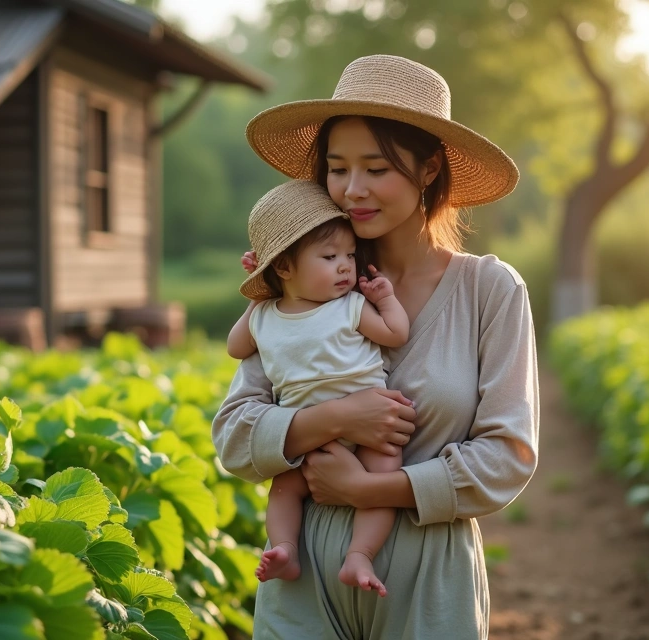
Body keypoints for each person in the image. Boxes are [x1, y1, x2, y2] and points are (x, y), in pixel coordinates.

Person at [212, 54, 540, 639]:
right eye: (337, 168)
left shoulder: (490, 290)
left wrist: (370, 488)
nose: (353, 189)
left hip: (429, 573)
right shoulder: (302, 286)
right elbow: (235, 438)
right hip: (303, 570)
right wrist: (336, 418)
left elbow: (507, 457)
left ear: (429, 169)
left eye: (377, 168)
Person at [225, 179, 410, 597]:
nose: (345, 266)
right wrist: (258, 293)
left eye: (350, 255)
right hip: (308, 435)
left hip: (374, 425)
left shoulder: (350, 307)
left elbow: (395, 333)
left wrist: (385, 299)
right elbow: (236, 347)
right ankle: (285, 549)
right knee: (285, 489)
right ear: (284, 269)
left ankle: (360, 554)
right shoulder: (265, 315)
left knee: (383, 478)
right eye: (329, 257)